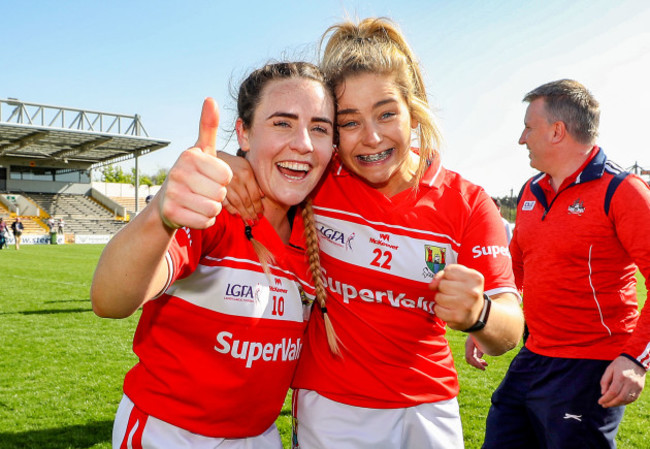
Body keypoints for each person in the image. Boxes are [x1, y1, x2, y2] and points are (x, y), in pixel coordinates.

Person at [220, 17, 524, 449]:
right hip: (331, 407)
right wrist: (227, 163)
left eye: (386, 114)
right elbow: (261, 159)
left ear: (413, 112)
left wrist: (480, 314)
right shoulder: (319, 178)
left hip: (429, 407)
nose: (372, 137)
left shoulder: (467, 202)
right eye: (349, 122)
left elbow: (509, 330)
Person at [90, 61, 336, 449]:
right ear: (244, 131)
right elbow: (109, 299)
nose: (303, 143)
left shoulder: (317, 239)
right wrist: (161, 215)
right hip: (170, 436)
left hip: (261, 438)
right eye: (282, 123)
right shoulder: (212, 213)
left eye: (319, 128)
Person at [481, 79, 650, 449]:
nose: (521, 139)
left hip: (591, 365)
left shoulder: (622, 191)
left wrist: (635, 359)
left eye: (528, 127)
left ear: (557, 131)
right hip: (533, 354)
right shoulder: (530, 191)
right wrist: (489, 319)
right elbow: (517, 267)